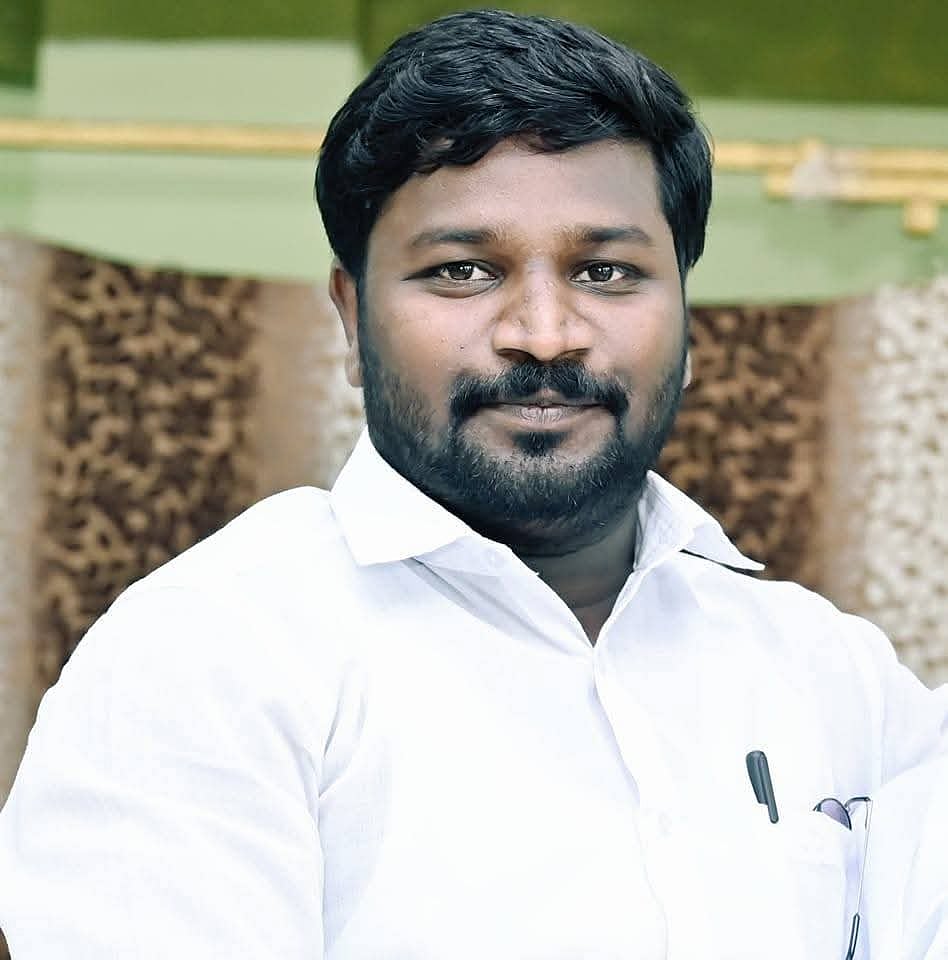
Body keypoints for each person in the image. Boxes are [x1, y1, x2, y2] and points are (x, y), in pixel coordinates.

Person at [1, 8, 946, 958]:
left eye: (606, 271)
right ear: (352, 317)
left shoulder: (835, 676)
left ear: (689, 318)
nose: (544, 333)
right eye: (461, 271)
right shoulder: (212, 654)